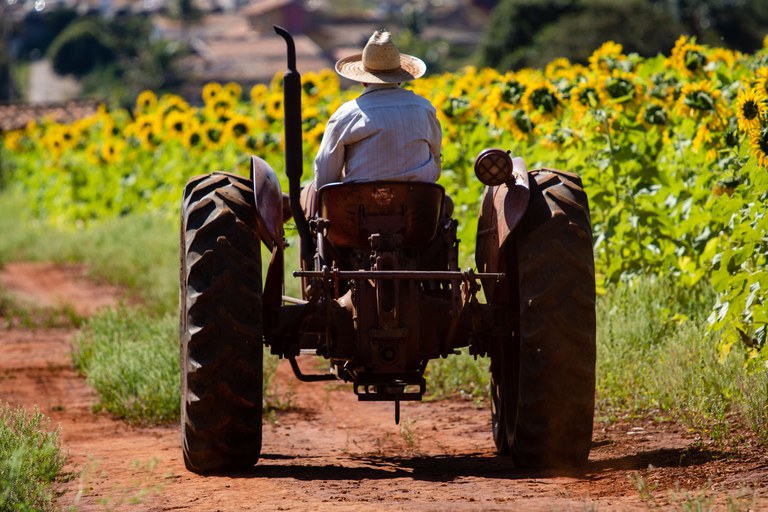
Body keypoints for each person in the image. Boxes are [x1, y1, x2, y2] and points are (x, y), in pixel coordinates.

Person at [302, 30, 442, 215]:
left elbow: (326, 173)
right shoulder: (425, 109)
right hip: (418, 212)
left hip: (358, 216)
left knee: (312, 197)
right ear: (400, 79)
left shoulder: (346, 115)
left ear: (363, 80)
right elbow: (435, 159)